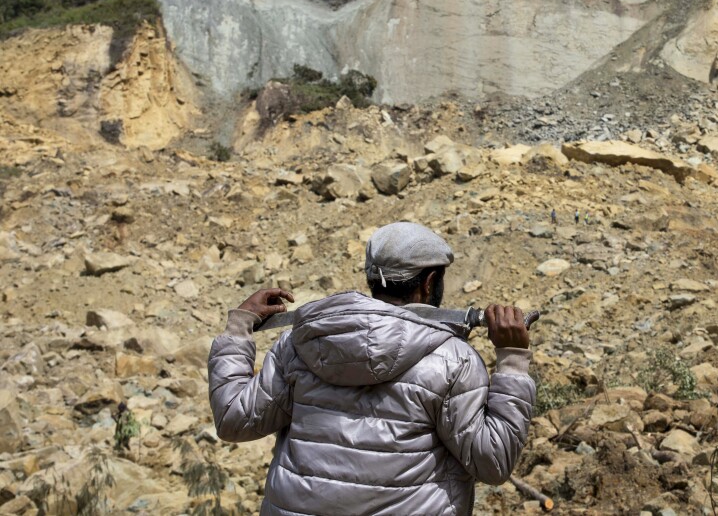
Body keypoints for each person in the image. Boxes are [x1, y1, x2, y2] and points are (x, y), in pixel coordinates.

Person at [208, 221, 536, 515]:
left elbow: (234, 421)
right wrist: (512, 358)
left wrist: (240, 328)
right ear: (429, 283)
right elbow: (493, 463)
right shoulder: (454, 361)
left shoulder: (299, 344)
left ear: (372, 279)